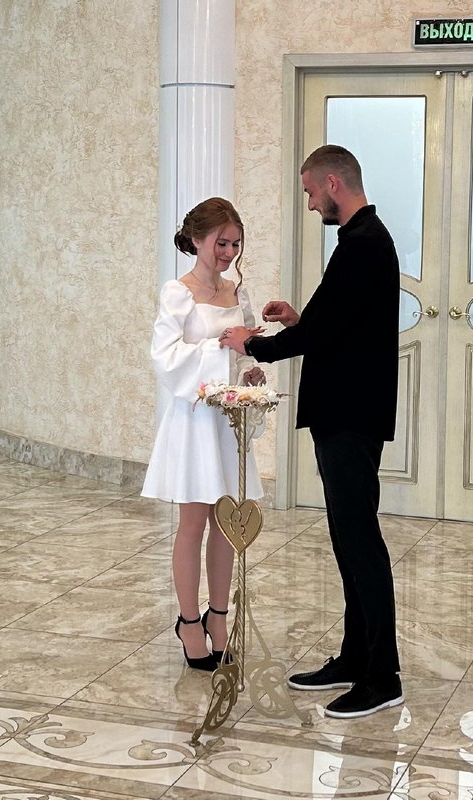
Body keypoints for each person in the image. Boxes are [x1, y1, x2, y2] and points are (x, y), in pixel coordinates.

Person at [220, 145, 402, 719]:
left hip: (350, 415)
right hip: (346, 411)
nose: (309, 203)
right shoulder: (360, 241)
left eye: (309, 192)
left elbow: (325, 337)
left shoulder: (364, 245)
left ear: (332, 183)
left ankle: (382, 675)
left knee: (359, 541)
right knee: (348, 539)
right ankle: (355, 656)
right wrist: (301, 320)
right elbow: (340, 327)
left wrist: (252, 345)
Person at [141, 197, 265, 672]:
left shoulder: (237, 293)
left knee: (227, 524)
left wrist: (250, 371)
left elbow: (243, 353)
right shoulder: (179, 292)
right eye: (221, 243)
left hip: (226, 422)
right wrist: (220, 347)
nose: (228, 253)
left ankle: (219, 616)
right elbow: (165, 358)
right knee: (192, 523)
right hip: (194, 421)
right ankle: (189, 622)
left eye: (235, 244)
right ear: (197, 240)